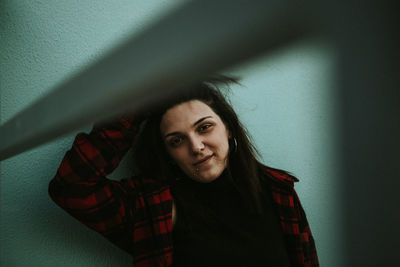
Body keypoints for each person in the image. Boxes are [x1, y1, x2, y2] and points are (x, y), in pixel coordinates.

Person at [49, 76, 319, 266]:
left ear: (227, 127)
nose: (197, 147)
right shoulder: (155, 207)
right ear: (167, 153)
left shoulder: (278, 191)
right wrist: (138, 104)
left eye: (204, 127)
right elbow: (72, 187)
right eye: (176, 140)